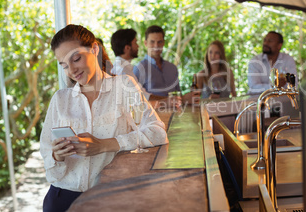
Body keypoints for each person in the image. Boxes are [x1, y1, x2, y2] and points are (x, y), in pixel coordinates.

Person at [40, 24, 168, 212]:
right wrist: (56, 156)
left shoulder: (124, 86)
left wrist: (105, 144)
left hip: (108, 199)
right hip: (60, 199)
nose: (71, 70)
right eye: (64, 65)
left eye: (76, 59)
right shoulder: (60, 99)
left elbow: (157, 132)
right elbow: (47, 158)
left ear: (94, 49)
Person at [110, 28, 181, 108]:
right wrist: (167, 101)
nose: (138, 46)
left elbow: (142, 95)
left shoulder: (125, 69)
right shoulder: (122, 71)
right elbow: (140, 99)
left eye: (160, 42)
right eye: (135, 43)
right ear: (127, 48)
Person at [133, 25, 199, 104]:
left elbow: (178, 95)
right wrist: (181, 99)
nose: (156, 46)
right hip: (154, 115)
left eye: (159, 42)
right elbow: (137, 100)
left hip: (177, 114)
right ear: (145, 43)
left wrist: (187, 98)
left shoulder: (172, 68)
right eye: (152, 42)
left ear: (164, 43)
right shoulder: (139, 69)